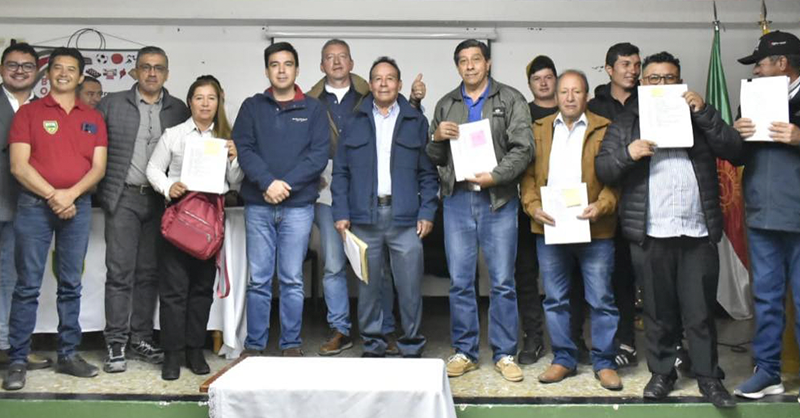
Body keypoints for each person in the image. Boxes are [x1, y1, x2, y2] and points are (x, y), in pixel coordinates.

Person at [595, 51, 740, 408]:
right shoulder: (627, 121)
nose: (662, 83)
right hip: (651, 231)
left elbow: (735, 150)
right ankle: (662, 373)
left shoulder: (697, 115)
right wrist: (628, 153)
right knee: (657, 312)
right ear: (643, 83)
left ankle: (708, 377)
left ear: (680, 81)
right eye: (654, 78)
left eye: (669, 78)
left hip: (697, 230)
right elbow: (604, 169)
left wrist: (704, 112)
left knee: (700, 312)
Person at [426, 39, 533, 382]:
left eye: (476, 59)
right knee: (460, 281)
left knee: (502, 281)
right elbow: (434, 158)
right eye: (463, 61)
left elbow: (524, 149)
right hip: (457, 200)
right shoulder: (446, 104)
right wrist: (436, 138)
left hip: (497, 199)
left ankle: (504, 353)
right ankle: (465, 351)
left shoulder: (511, 99)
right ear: (457, 66)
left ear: (487, 63)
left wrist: (496, 176)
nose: (470, 66)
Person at [2, 47, 108, 391]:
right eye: (57, 68)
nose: (63, 73)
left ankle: (68, 354)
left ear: (80, 77)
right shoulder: (29, 113)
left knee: (71, 285)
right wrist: (54, 195)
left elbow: (98, 168)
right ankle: (18, 360)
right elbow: (18, 166)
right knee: (27, 286)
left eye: (71, 69)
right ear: (47, 75)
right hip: (35, 206)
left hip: (77, 207)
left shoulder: (93, 117)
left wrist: (70, 195)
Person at [306, 39, 414, 356]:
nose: (337, 62)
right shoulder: (310, 101)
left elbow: (403, 120)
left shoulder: (370, 94)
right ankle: (340, 328)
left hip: (370, 187)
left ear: (352, 63)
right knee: (334, 263)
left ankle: (384, 328)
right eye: (330, 57)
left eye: (342, 56)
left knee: (379, 267)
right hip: (329, 186)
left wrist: (417, 100)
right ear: (321, 65)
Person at [521, 69, 621, 390]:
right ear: (556, 96)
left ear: (586, 96)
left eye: (576, 91)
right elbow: (528, 177)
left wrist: (601, 206)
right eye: (564, 91)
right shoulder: (539, 129)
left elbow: (616, 178)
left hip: (595, 229)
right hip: (550, 228)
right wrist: (533, 207)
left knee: (601, 299)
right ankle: (563, 358)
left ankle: (604, 362)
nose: (569, 97)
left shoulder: (605, 128)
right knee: (555, 299)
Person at [331, 56, 438, 358]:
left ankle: (411, 344)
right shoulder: (354, 121)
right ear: (370, 84)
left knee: (409, 287)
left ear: (399, 84)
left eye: (390, 78)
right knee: (368, 288)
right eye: (377, 78)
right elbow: (341, 172)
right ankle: (373, 345)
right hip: (364, 218)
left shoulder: (415, 122)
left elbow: (428, 174)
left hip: (405, 218)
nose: (383, 84)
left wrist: (427, 212)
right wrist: (341, 213)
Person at [96, 46, 189, 373]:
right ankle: (115, 342)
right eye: (146, 67)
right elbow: (94, 149)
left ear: (167, 73)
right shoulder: (112, 104)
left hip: (161, 201)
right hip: (123, 197)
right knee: (119, 272)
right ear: (135, 71)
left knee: (149, 273)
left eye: (158, 68)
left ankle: (141, 338)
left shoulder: (178, 109)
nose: (152, 73)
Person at [233, 42, 329, 357]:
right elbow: (244, 149)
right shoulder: (252, 107)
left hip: (298, 207)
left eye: (288, 64)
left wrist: (284, 185)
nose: (282, 70)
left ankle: (291, 343)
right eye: (275, 64)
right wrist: (267, 183)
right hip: (259, 206)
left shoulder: (314, 109)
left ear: (297, 70)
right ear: (267, 71)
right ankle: (255, 345)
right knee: (259, 280)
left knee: (291, 279)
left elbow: (318, 156)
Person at [146, 76, 242, 380]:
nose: (205, 104)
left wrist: (234, 158)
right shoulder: (174, 135)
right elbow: (153, 169)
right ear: (190, 102)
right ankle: (171, 354)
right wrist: (168, 186)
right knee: (174, 292)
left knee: (202, 290)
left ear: (219, 102)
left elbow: (235, 182)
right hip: (179, 219)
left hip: (210, 222)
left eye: (211, 98)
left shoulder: (226, 138)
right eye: (199, 98)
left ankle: (194, 350)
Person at [731, 30, 800, 401]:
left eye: (760, 64)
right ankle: (768, 372)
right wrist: (736, 135)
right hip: (762, 216)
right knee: (766, 299)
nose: (755, 71)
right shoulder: (752, 99)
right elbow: (735, 156)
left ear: (782, 63)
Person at [585, 42, 642, 368]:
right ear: (609, 69)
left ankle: (633, 342)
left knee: (635, 276)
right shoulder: (594, 106)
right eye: (625, 64)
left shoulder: (649, 100)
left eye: (636, 64)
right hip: (603, 202)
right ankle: (607, 344)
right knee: (607, 277)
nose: (632, 70)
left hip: (640, 198)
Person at [0, 43, 53, 371]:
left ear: (37, 72)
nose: (19, 71)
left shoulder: (43, 108)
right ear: (2, 68)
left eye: (27, 66)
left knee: (17, 278)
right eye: (12, 65)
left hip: (28, 206)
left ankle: (10, 345)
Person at [516, 54, 558, 365]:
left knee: (565, 275)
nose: (543, 83)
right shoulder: (522, 114)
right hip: (525, 204)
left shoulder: (571, 109)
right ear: (529, 84)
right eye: (536, 78)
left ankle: (569, 339)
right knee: (525, 273)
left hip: (564, 207)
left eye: (548, 77)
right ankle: (533, 336)